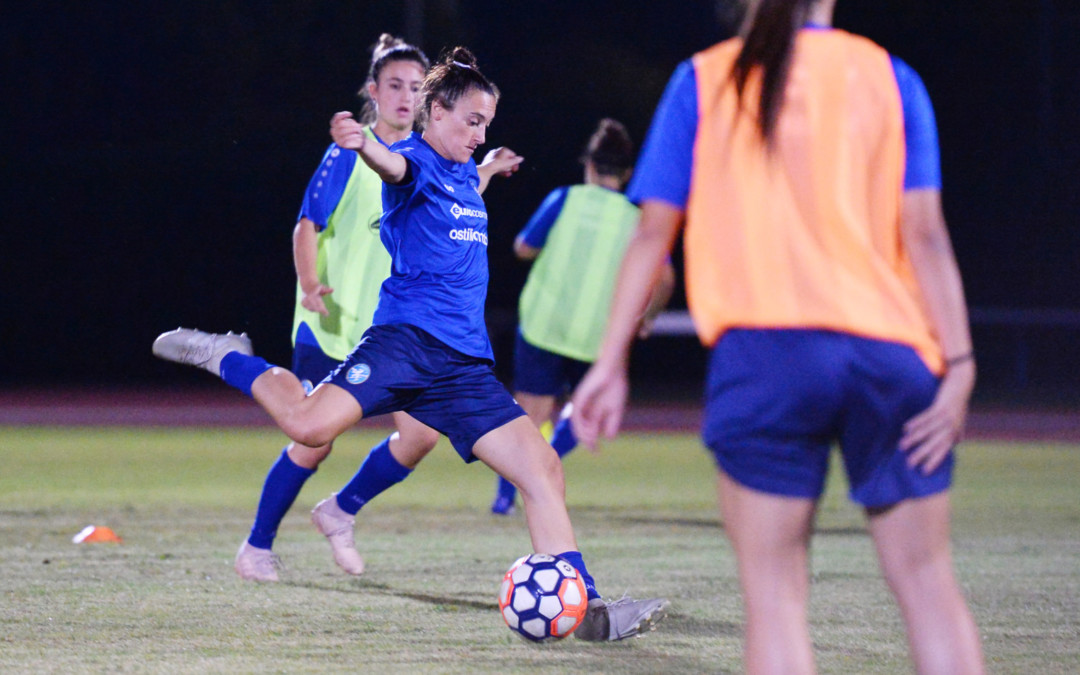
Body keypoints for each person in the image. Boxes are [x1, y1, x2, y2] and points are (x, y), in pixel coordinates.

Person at [154, 46, 666, 642]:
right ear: (438, 112)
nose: (480, 134)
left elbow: (456, 188)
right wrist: (362, 145)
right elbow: (392, 168)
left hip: (464, 369)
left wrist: (488, 170)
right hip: (404, 346)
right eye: (473, 122)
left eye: (487, 126)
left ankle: (589, 609)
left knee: (543, 469)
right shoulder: (412, 159)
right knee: (307, 428)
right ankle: (231, 356)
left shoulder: (460, 175)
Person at [571, 0, 986, 671]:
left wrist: (610, 360)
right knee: (929, 585)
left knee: (775, 599)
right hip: (889, 351)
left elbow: (652, 232)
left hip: (767, 355)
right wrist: (961, 365)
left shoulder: (705, 79)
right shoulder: (890, 76)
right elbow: (927, 234)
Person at [234, 35, 519, 584]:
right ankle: (256, 546)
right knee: (311, 441)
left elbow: (447, 197)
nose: (406, 96)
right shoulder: (356, 151)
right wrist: (311, 282)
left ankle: (340, 511)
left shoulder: (433, 155)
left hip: (394, 330)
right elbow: (307, 222)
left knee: (419, 436)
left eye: (416, 86)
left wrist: (486, 168)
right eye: (395, 86)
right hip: (334, 322)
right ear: (373, 91)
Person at [490, 118, 675, 515]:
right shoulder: (637, 219)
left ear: (589, 165)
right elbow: (665, 280)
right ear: (627, 174)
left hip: (545, 324)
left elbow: (522, 247)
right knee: (583, 412)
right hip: (597, 335)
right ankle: (549, 459)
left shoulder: (564, 199)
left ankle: (506, 495)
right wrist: (645, 318)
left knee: (526, 417)